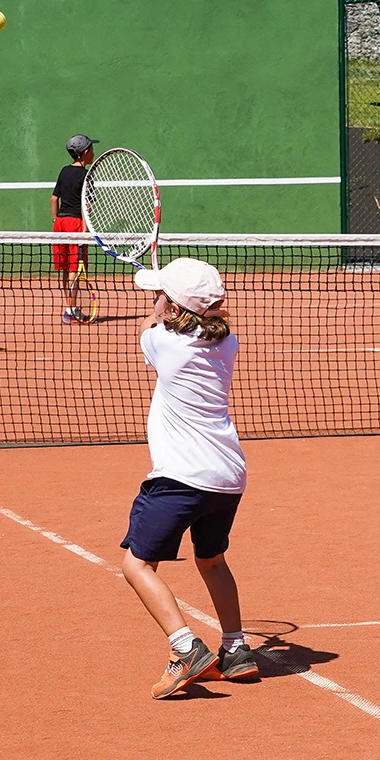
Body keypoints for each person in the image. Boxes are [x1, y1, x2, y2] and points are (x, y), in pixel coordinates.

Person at [120, 257, 259, 698]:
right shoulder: (228, 342)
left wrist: (158, 307)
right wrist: (169, 299)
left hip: (181, 477)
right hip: (228, 477)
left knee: (136, 565)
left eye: (162, 297)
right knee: (212, 560)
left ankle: (185, 648)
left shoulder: (163, 342)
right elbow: (188, 320)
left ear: (175, 309)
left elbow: (147, 328)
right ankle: (236, 650)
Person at [51, 134, 98, 324]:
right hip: (76, 224)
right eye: (91, 149)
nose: (93, 152)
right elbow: (85, 206)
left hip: (60, 224)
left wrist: (56, 221)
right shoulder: (86, 176)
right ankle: (70, 310)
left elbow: (54, 199)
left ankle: (69, 306)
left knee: (65, 268)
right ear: (85, 153)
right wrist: (84, 230)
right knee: (74, 269)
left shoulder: (64, 171)